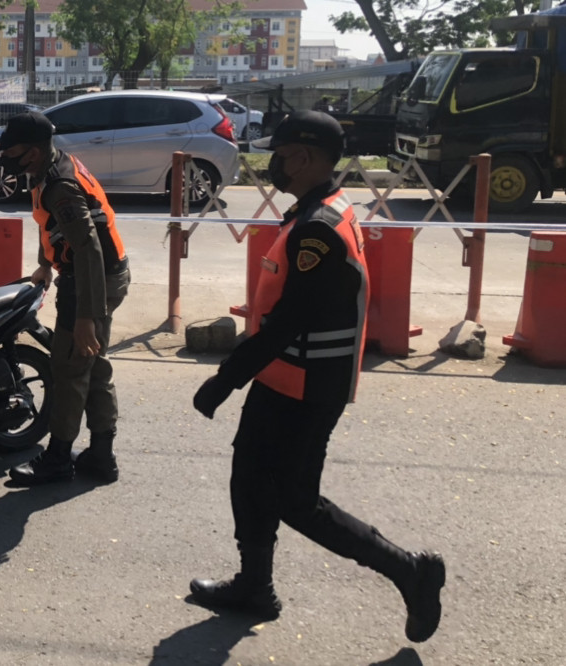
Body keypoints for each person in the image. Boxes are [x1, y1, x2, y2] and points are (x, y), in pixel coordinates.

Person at [188, 111, 446, 642]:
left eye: (278, 156)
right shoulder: (313, 210)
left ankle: (408, 571)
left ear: (302, 158)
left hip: (308, 385)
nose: (273, 165)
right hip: (283, 379)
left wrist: (225, 379)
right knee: (250, 481)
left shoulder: (319, 230)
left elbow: (290, 322)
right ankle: (255, 585)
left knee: (296, 501)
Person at [0, 111, 131, 486]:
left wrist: (87, 316)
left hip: (90, 282)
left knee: (69, 369)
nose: (5, 157)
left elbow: (87, 250)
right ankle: (102, 455)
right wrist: (44, 265)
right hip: (98, 276)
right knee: (92, 366)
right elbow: (50, 226)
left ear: (33, 152)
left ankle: (56, 460)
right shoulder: (47, 170)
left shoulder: (60, 187)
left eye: (11, 151)